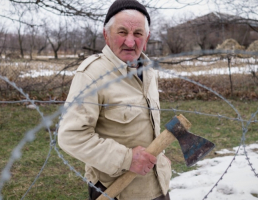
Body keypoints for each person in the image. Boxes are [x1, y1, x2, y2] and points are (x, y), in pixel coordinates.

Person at [57, 0, 172, 200]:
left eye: (138, 34)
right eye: (122, 32)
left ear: (147, 38)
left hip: (157, 186)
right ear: (106, 35)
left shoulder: (148, 71)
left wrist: (160, 158)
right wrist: (127, 159)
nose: (130, 42)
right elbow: (70, 136)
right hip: (116, 192)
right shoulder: (92, 74)